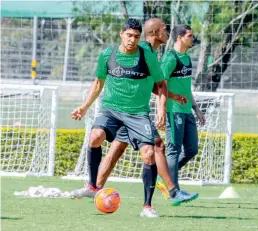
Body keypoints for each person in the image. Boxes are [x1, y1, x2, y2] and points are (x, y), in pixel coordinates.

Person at [70, 18, 167, 218]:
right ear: (121, 34)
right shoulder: (107, 54)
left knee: (149, 153)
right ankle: (91, 185)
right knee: (95, 136)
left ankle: (147, 207)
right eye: (129, 35)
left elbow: (161, 84)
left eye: (136, 37)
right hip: (111, 110)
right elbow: (98, 83)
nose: (132, 40)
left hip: (138, 114)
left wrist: (161, 111)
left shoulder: (147, 56)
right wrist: (84, 106)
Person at [94, 18, 198, 205]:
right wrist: (161, 109)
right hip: (130, 112)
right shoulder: (143, 50)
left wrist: (171, 96)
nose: (168, 33)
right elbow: (150, 82)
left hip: (129, 112)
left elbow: (152, 85)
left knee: (117, 150)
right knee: (157, 146)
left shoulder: (150, 53)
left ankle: (95, 188)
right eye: (165, 29)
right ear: (155, 33)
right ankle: (172, 191)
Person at [159, 24, 206, 191]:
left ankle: (164, 177)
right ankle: (174, 191)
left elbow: (186, 88)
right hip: (174, 111)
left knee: (192, 149)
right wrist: (161, 111)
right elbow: (160, 86)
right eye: (190, 36)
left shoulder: (186, 59)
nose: (193, 39)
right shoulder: (170, 58)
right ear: (179, 37)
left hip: (187, 112)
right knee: (173, 151)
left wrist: (196, 108)